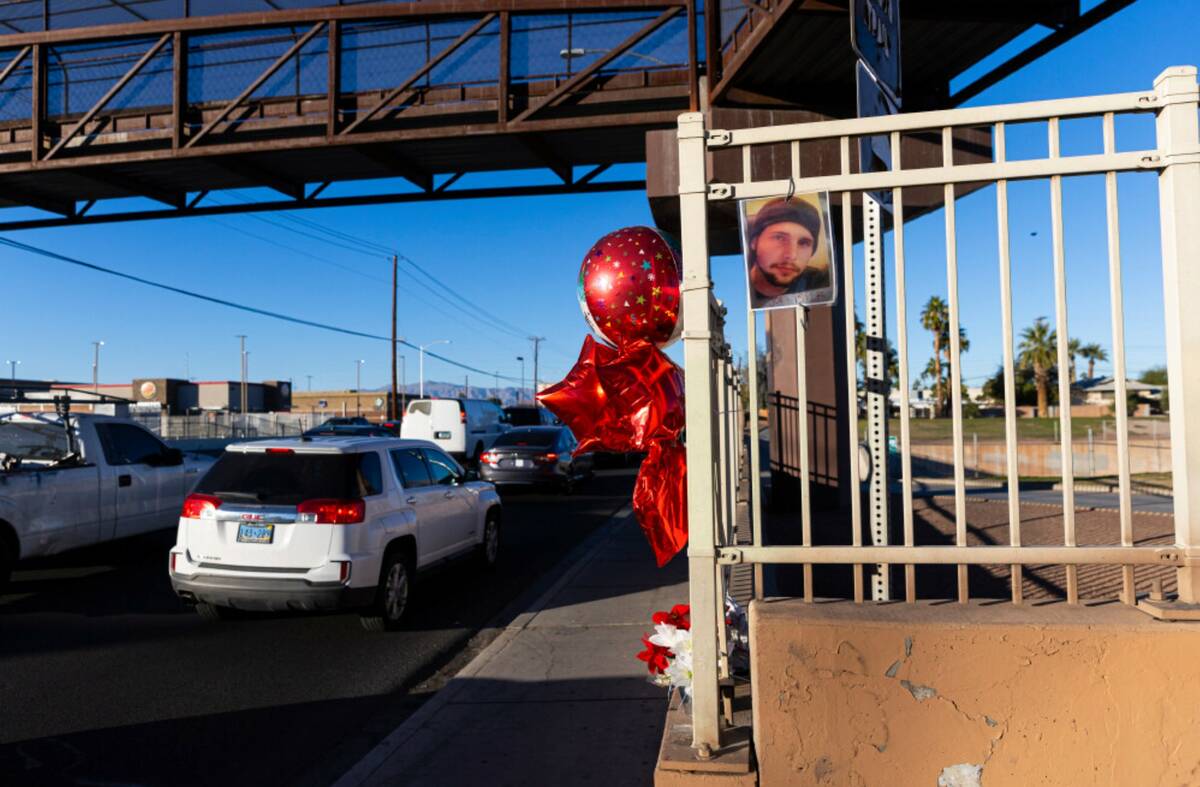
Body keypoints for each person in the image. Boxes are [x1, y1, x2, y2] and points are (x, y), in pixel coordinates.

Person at [745, 197, 832, 309]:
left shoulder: (818, 283)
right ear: (754, 242)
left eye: (804, 243)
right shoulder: (737, 285)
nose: (791, 255)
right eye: (779, 238)